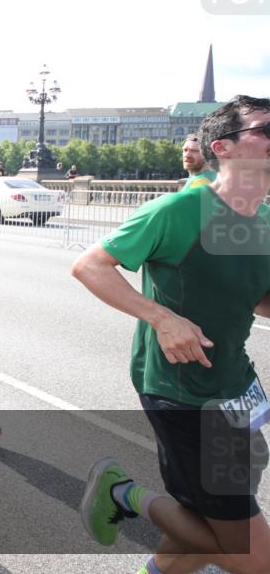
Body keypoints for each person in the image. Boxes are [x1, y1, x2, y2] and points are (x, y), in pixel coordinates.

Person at [71, 95, 270, 574]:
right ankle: (125, 494)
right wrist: (163, 318)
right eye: (266, 129)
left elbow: (256, 297)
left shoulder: (264, 220)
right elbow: (90, 266)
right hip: (181, 391)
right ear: (223, 147)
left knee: (211, 517)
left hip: (236, 386)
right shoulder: (181, 210)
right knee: (254, 557)